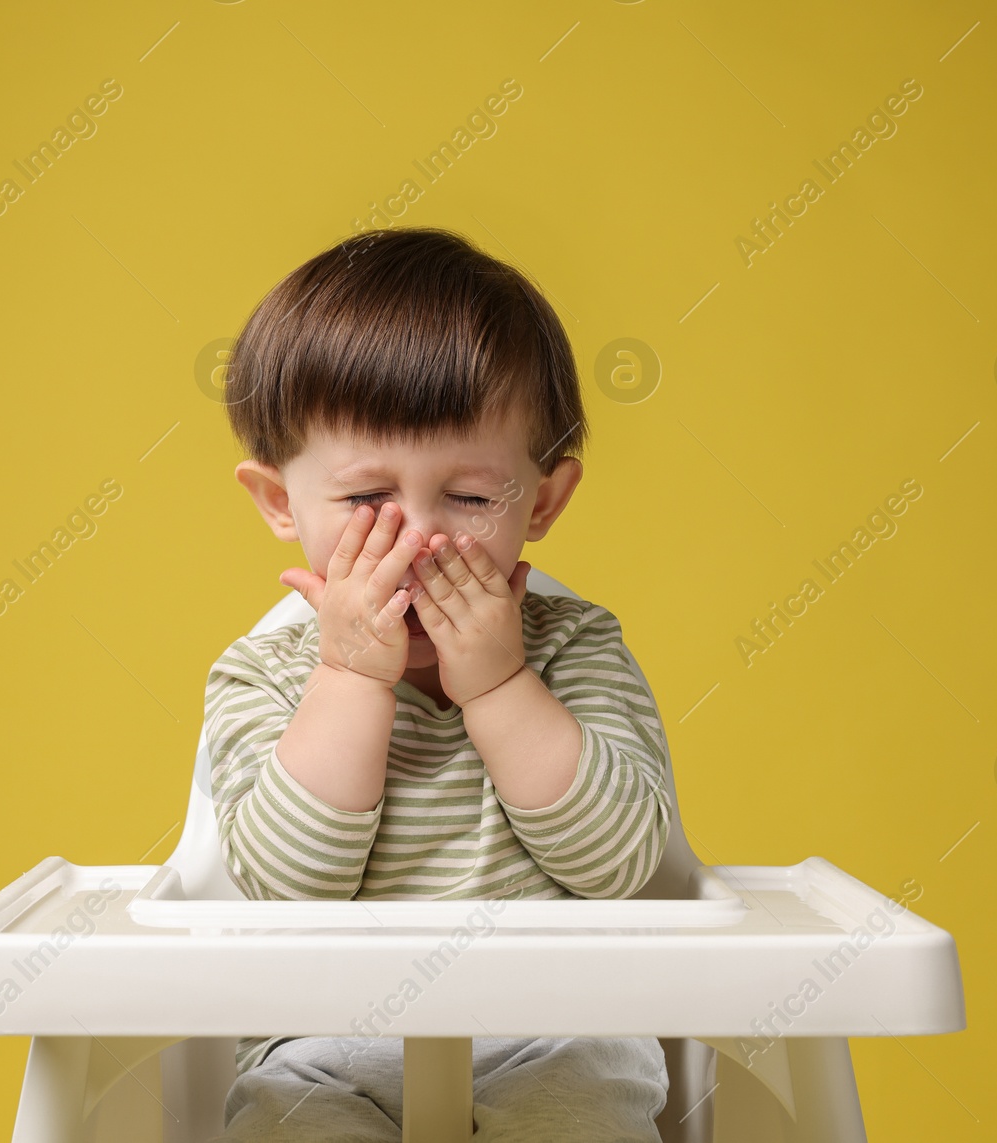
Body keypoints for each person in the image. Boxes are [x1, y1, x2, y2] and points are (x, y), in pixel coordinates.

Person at [202, 226, 673, 1141]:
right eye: (366, 500)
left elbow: (618, 863)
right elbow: (286, 890)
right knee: (290, 1120)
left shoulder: (576, 649)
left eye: (468, 498)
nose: (418, 540)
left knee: (579, 1108)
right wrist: (347, 678)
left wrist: (501, 687)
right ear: (276, 500)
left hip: (556, 1031)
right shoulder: (262, 673)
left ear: (542, 501)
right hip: (326, 1040)